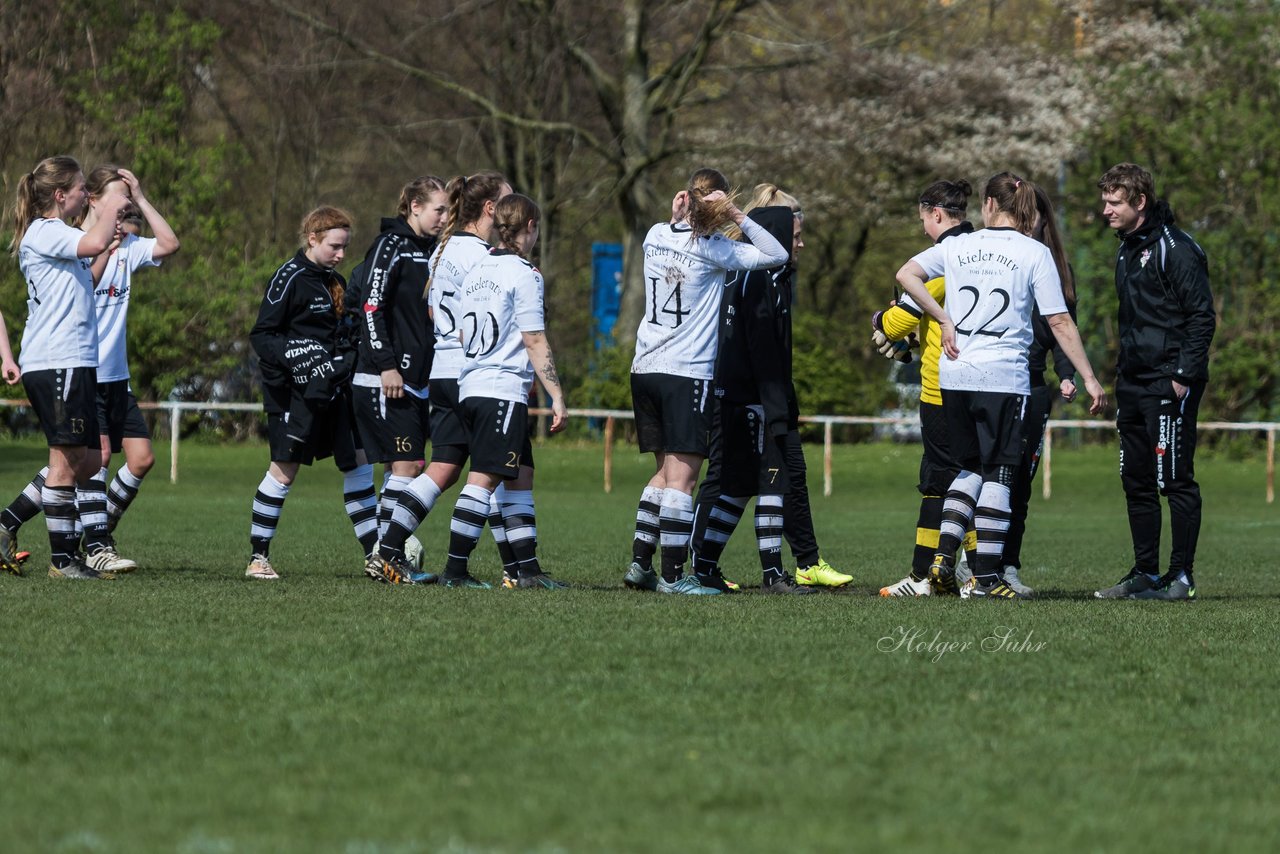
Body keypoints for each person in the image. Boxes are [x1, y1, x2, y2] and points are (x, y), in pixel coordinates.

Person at [895, 172, 1106, 600]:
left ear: (988, 205)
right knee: (999, 471)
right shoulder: (1034, 253)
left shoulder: (957, 245)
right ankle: (988, 579)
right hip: (1004, 376)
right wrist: (1088, 375)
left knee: (968, 468)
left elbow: (906, 275)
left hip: (954, 376)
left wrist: (943, 318)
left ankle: (942, 558)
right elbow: (1059, 321)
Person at [622, 168, 788, 595]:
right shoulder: (715, 249)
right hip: (685, 371)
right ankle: (676, 578)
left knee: (662, 473)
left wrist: (677, 214)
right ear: (716, 203)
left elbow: (673, 226)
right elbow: (776, 254)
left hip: (644, 368)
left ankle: (641, 564)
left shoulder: (655, 235)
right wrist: (736, 213)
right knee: (684, 481)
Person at [688, 184, 852, 593]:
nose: (801, 242)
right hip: (753, 400)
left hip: (749, 397)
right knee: (769, 482)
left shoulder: (766, 275)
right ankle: (772, 574)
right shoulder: (761, 278)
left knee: (741, 487)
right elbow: (760, 348)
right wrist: (773, 404)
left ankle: (706, 564)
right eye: (795, 235)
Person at [406, 193, 569, 589]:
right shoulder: (526, 274)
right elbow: (534, 339)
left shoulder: (478, 267)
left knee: (520, 474)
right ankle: (456, 571)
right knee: (483, 479)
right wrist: (556, 395)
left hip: (470, 384)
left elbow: (462, 331)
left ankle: (527, 570)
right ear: (530, 226)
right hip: (501, 389)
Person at [2, 155, 131, 579]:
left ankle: (5, 525)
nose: (85, 197)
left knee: (90, 460)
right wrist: (115, 200)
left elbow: (86, 275)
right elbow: (89, 243)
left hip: (72, 359)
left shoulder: (58, 234)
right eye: (81, 190)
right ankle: (63, 561)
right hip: (58, 359)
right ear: (61, 195)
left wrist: (108, 244)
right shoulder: (46, 230)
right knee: (64, 462)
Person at [1093, 163, 1215, 601]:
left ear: (1139, 202)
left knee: (1175, 479)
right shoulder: (1125, 249)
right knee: (1136, 479)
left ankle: (1181, 577)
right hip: (1133, 383)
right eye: (1105, 200)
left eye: (1114, 202)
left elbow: (1202, 317)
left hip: (1170, 382)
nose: (1105, 209)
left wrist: (1182, 376)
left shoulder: (1176, 248)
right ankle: (1145, 572)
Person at [874, 179, 981, 597]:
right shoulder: (982, 250)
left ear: (936, 214)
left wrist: (880, 321)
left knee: (939, 482)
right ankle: (978, 573)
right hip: (983, 385)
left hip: (942, 389)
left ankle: (926, 576)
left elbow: (897, 322)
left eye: (923, 219)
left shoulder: (942, 257)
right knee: (974, 479)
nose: (922, 228)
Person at [244, 206, 362, 580]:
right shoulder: (288, 278)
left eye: (344, 247)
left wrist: (341, 363)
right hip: (292, 396)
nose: (341, 254)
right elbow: (263, 336)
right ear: (313, 239)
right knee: (284, 471)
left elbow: (344, 336)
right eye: (334, 246)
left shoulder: (335, 281)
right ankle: (257, 558)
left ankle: (378, 554)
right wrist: (298, 361)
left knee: (357, 463)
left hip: (331, 390)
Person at [349, 176, 448, 583]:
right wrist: (387, 363)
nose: (444, 217)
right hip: (384, 377)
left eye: (447, 210)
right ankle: (385, 555)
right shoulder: (391, 245)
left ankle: (383, 554)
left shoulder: (434, 251)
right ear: (414, 208)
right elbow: (371, 306)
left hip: (418, 378)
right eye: (438, 209)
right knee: (405, 464)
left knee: (402, 466)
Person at [998, 185, 1078, 596]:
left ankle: (1007, 566)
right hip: (994, 381)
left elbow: (1064, 327)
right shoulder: (996, 259)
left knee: (1020, 485)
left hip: (1031, 386)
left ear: (1044, 220)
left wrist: (1068, 373)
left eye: (1035, 214)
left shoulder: (1056, 268)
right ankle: (969, 562)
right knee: (986, 476)